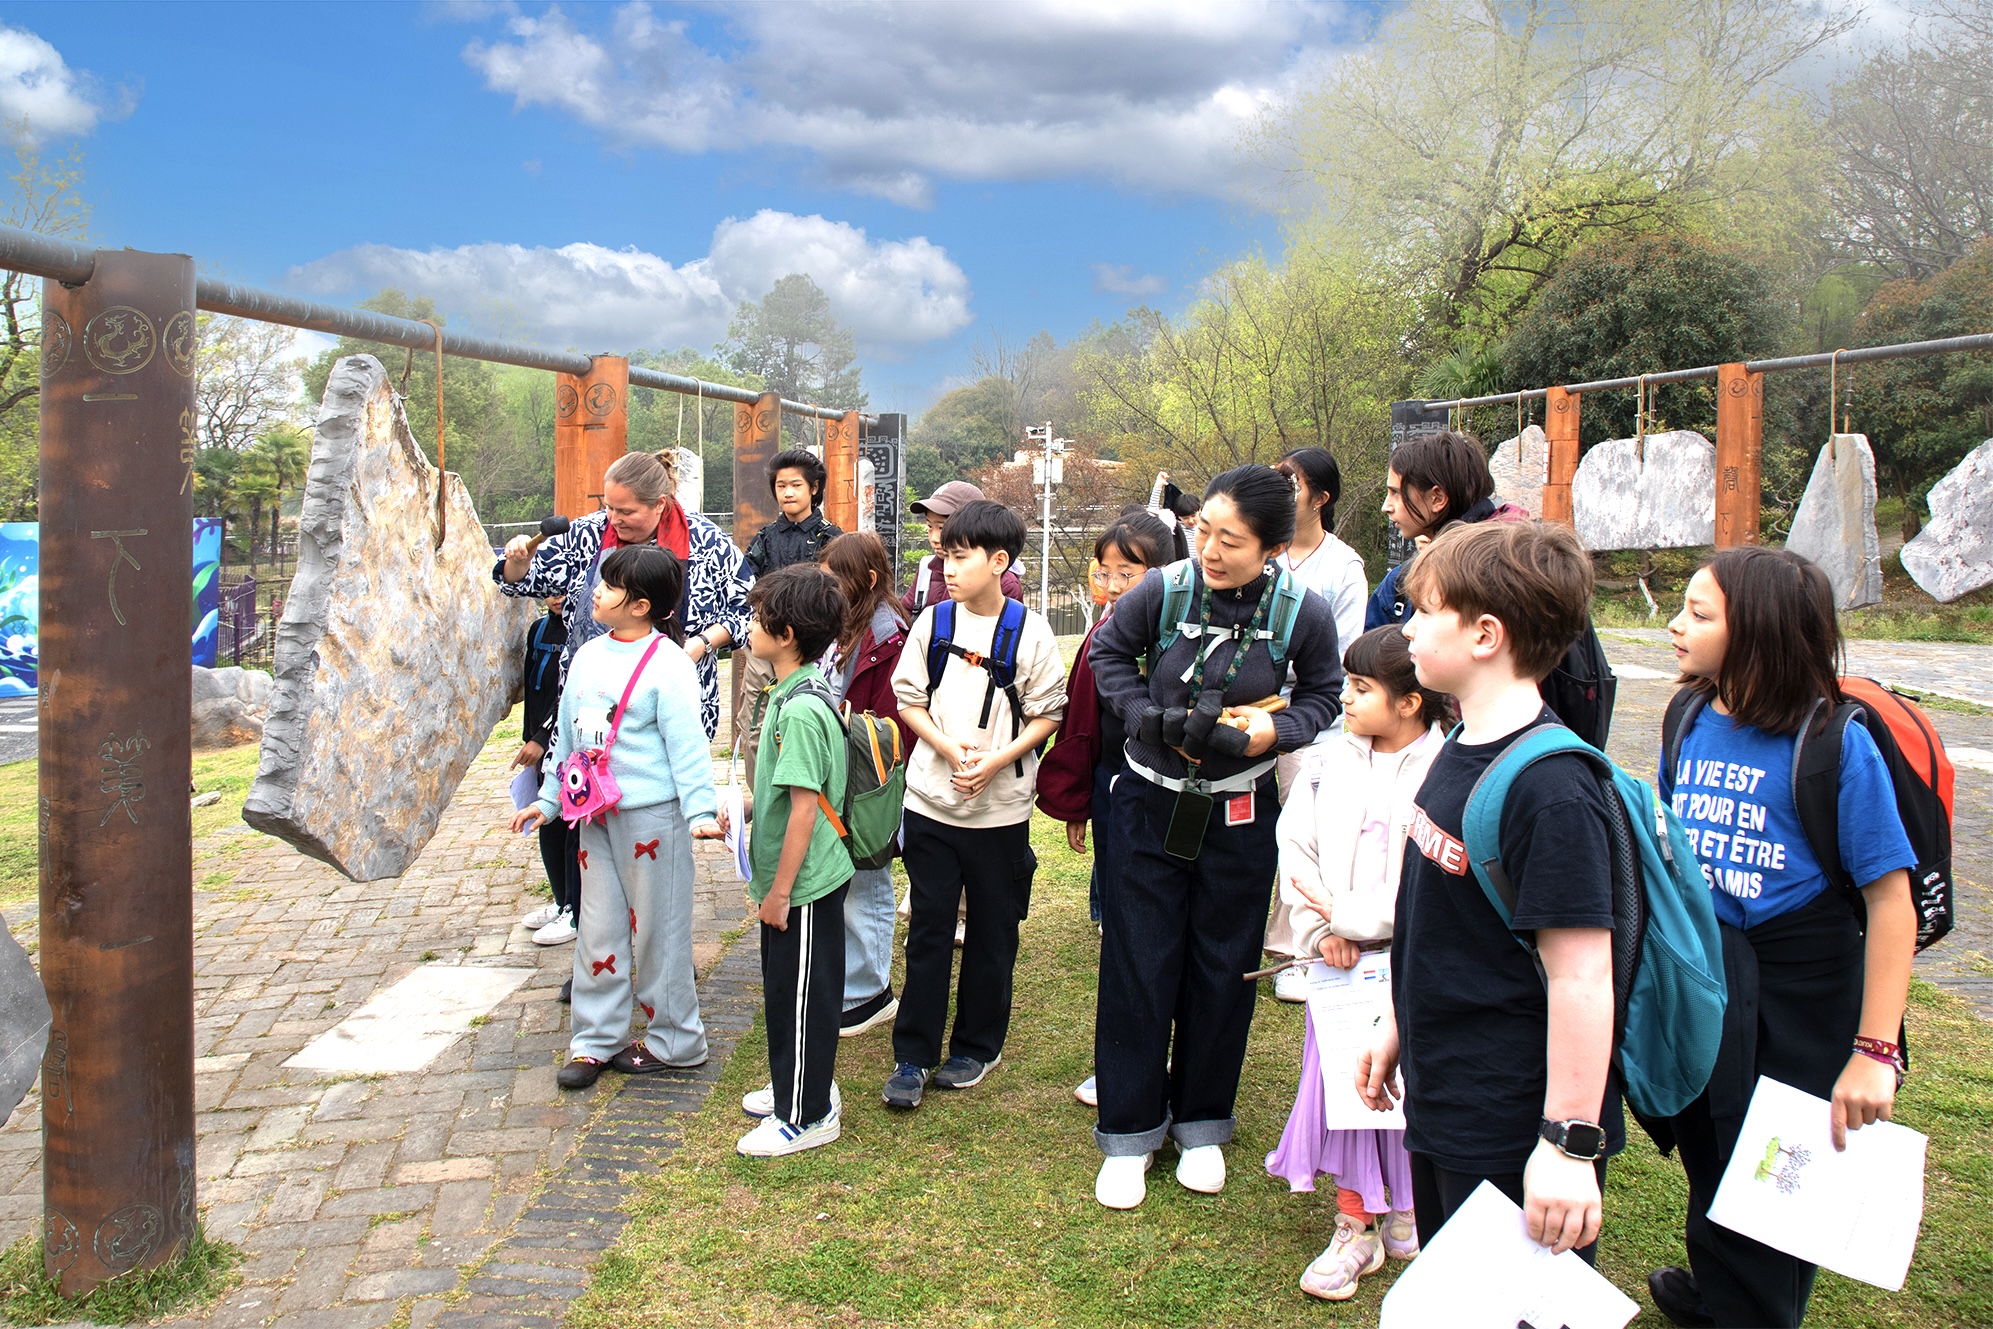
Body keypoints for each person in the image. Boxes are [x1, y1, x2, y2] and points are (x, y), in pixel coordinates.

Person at [1648, 548, 1916, 1329]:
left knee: (1775, 1177)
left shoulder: (1832, 743)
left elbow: (1889, 902)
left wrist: (1873, 1052)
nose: (1675, 625)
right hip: (1710, 981)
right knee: (1708, 1148)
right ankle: (1716, 1288)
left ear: (1759, 632)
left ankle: (1751, 1306)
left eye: (1698, 613)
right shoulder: (1686, 716)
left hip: (1798, 995)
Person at [1356, 519, 1618, 1263]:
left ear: (1484, 635)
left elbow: (1581, 976)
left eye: (1423, 611)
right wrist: (1397, 1021)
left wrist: (1566, 1144)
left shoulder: (1553, 790)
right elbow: (1441, 920)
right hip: (1443, 1090)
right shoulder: (1461, 745)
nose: (1406, 629)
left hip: (1508, 1118)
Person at [1087, 465, 1343, 1209]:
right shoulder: (1162, 590)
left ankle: (1201, 1123)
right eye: (1204, 531)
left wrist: (1274, 731)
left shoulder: (1303, 612)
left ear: (1272, 548)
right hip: (1149, 802)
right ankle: (1129, 1130)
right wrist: (1143, 714)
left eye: (1231, 540)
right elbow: (1107, 654)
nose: (1210, 551)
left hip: (1239, 814)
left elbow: (1324, 694)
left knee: (1223, 963)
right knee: (1138, 959)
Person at [1266, 626, 1451, 1301]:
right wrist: (1321, 931)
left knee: (1405, 1092)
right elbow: (1297, 848)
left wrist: (1352, 918)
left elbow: (1434, 886)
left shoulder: (1448, 770)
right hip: (1339, 968)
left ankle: (1408, 1206)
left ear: (1409, 702)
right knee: (1348, 1091)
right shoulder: (1325, 763)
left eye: (1361, 687)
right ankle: (1355, 1223)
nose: (1343, 697)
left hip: (1412, 963)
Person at [511, 547, 721, 1090]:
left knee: (659, 932)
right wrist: (549, 800)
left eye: (609, 586)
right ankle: (594, 1041)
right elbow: (568, 737)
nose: (596, 592)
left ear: (641, 605)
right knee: (597, 928)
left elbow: (688, 746)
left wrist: (700, 811)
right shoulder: (586, 655)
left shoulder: (670, 664)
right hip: (593, 816)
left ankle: (677, 1041)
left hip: (653, 819)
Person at [884, 499, 1066, 1109]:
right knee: (929, 930)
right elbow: (908, 700)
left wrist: (993, 761)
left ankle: (975, 1048)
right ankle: (913, 1056)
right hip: (930, 805)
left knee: (993, 932)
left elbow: (1048, 714)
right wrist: (945, 747)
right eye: (945, 556)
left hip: (1001, 811)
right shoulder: (932, 623)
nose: (948, 567)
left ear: (999, 561)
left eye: (960, 557)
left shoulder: (1031, 631)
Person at [1034, 512, 1175, 1109]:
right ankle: (1129, 1060)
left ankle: (1165, 1059)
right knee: (1124, 929)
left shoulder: (1178, 636)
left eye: (1128, 573)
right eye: (1105, 572)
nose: (1114, 586)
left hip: (1169, 794)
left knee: (1162, 930)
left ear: (1163, 575)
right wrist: (1081, 803)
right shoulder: (1103, 631)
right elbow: (1084, 724)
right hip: (1116, 791)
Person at [725, 566, 856, 1156]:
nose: (749, 628)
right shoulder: (796, 690)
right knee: (789, 990)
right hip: (797, 879)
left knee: (801, 996)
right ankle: (799, 1083)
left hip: (801, 884)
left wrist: (778, 893)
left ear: (785, 635)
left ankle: (807, 1114)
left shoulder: (799, 709)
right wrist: (744, 812)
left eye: (757, 619)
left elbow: (805, 808)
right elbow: (789, 795)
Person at [497, 449, 752, 742]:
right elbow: (520, 581)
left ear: (660, 504)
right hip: (593, 701)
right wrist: (519, 560)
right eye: (609, 508)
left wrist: (702, 643)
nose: (614, 519)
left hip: (674, 700)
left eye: (627, 512)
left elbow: (746, 609)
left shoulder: (708, 541)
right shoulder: (587, 533)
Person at [1264, 446, 1371, 1002]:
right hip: (1246, 711)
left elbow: (1343, 654)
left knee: (1301, 834)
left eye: (1293, 484)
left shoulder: (1343, 567)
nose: (1283, 492)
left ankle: (1292, 950)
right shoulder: (1263, 551)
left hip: (1310, 718)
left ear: (1320, 498)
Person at [819, 532, 911, 1038]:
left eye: (835, 580)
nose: (827, 589)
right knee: (847, 880)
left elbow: (889, 723)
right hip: (844, 770)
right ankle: (852, 981)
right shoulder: (847, 626)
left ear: (867, 580)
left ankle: (869, 993)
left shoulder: (886, 635)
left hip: (867, 776)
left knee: (867, 878)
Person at [738, 449, 845, 782]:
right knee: (755, 722)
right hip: (766, 638)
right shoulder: (765, 537)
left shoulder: (832, 537)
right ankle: (762, 794)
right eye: (781, 485)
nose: (787, 493)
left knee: (806, 719)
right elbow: (743, 583)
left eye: (796, 485)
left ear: (814, 488)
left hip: (814, 646)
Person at [1365, 430, 1527, 631]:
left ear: (1437, 498)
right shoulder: (1530, 563)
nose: (1386, 507)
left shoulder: (1498, 575)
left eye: (1396, 493)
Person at [514, 595, 580, 950]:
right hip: (541, 747)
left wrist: (542, 738)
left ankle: (574, 908)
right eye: (550, 590)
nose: (557, 597)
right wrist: (529, 736)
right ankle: (559, 899)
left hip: (566, 742)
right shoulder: (538, 630)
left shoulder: (582, 632)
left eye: (562, 589)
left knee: (572, 827)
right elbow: (533, 688)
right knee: (547, 822)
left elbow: (568, 696)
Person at [902, 480, 1025, 614]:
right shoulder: (927, 568)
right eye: (930, 526)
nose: (934, 538)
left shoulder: (1004, 583)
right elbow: (904, 615)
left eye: (942, 528)